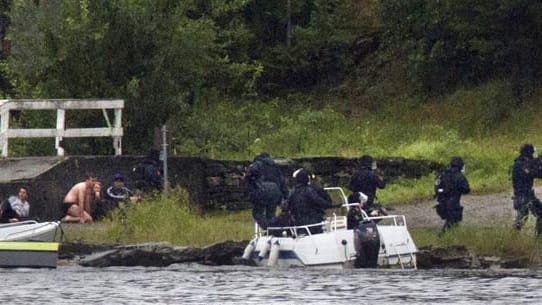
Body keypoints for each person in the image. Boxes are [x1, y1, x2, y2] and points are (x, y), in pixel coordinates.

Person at [245, 153, 285, 229]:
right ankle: (273, 230)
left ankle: (267, 228)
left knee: (257, 213)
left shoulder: (257, 164)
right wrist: (285, 196)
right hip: (275, 189)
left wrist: (252, 185)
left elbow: (250, 174)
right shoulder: (274, 166)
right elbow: (282, 181)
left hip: (262, 189)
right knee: (271, 214)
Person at [288, 168, 332, 234]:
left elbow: (288, 206)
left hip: (298, 223)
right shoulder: (309, 191)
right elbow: (318, 201)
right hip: (312, 222)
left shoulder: (292, 192)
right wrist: (328, 205)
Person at [512, 144, 542, 235]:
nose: (534, 154)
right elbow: (533, 173)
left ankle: (537, 238)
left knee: (538, 214)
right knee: (522, 217)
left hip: (527, 194)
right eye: (533, 153)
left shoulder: (523, 162)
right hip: (522, 195)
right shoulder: (520, 165)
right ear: (529, 153)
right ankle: (513, 238)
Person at [434, 156, 470, 233]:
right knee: (452, 221)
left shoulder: (443, 173)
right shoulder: (459, 175)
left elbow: (436, 186)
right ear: (460, 165)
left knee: (452, 221)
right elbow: (466, 189)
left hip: (441, 202)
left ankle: (453, 236)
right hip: (453, 203)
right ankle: (442, 237)